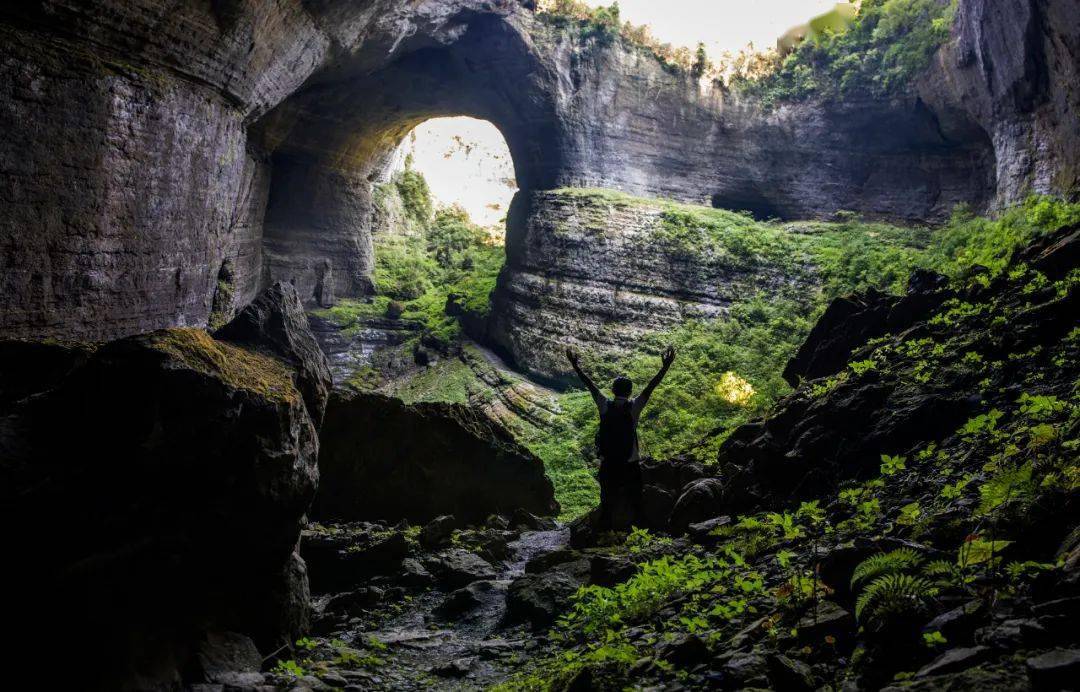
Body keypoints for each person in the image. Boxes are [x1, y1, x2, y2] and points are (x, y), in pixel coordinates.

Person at [566, 345, 677, 530]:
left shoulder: (604, 405)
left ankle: (603, 534)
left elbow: (590, 385)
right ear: (630, 392)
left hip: (608, 461)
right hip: (630, 462)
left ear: (612, 390)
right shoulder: (634, 407)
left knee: (607, 500)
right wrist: (665, 366)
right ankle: (639, 533)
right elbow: (651, 386)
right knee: (636, 499)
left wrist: (576, 366)